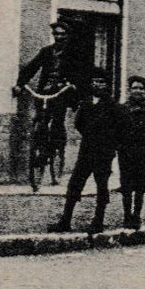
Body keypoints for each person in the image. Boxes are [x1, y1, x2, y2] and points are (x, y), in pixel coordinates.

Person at [50, 69, 119, 234]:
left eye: (101, 82)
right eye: (95, 81)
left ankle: (98, 221)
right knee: (75, 184)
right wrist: (90, 136)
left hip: (104, 153)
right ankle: (65, 220)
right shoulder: (86, 103)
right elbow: (79, 123)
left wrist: (108, 143)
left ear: (107, 85)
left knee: (102, 186)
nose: (97, 84)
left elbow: (120, 129)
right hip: (86, 151)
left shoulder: (114, 106)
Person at [15, 19, 83, 174]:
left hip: (62, 92)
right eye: (56, 34)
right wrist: (20, 84)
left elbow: (81, 72)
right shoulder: (46, 51)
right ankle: (40, 148)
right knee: (41, 119)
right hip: (44, 91)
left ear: (67, 36)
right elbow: (31, 67)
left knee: (57, 120)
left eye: (62, 34)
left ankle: (56, 147)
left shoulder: (75, 52)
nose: (59, 37)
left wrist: (72, 83)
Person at [115, 75, 145, 229]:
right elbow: (116, 130)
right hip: (126, 153)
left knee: (141, 186)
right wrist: (120, 146)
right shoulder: (122, 109)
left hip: (144, 154)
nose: (138, 91)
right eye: (135, 88)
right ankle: (126, 215)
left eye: (141, 88)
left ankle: (136, 216)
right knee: (126, 186)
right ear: (130, 90)